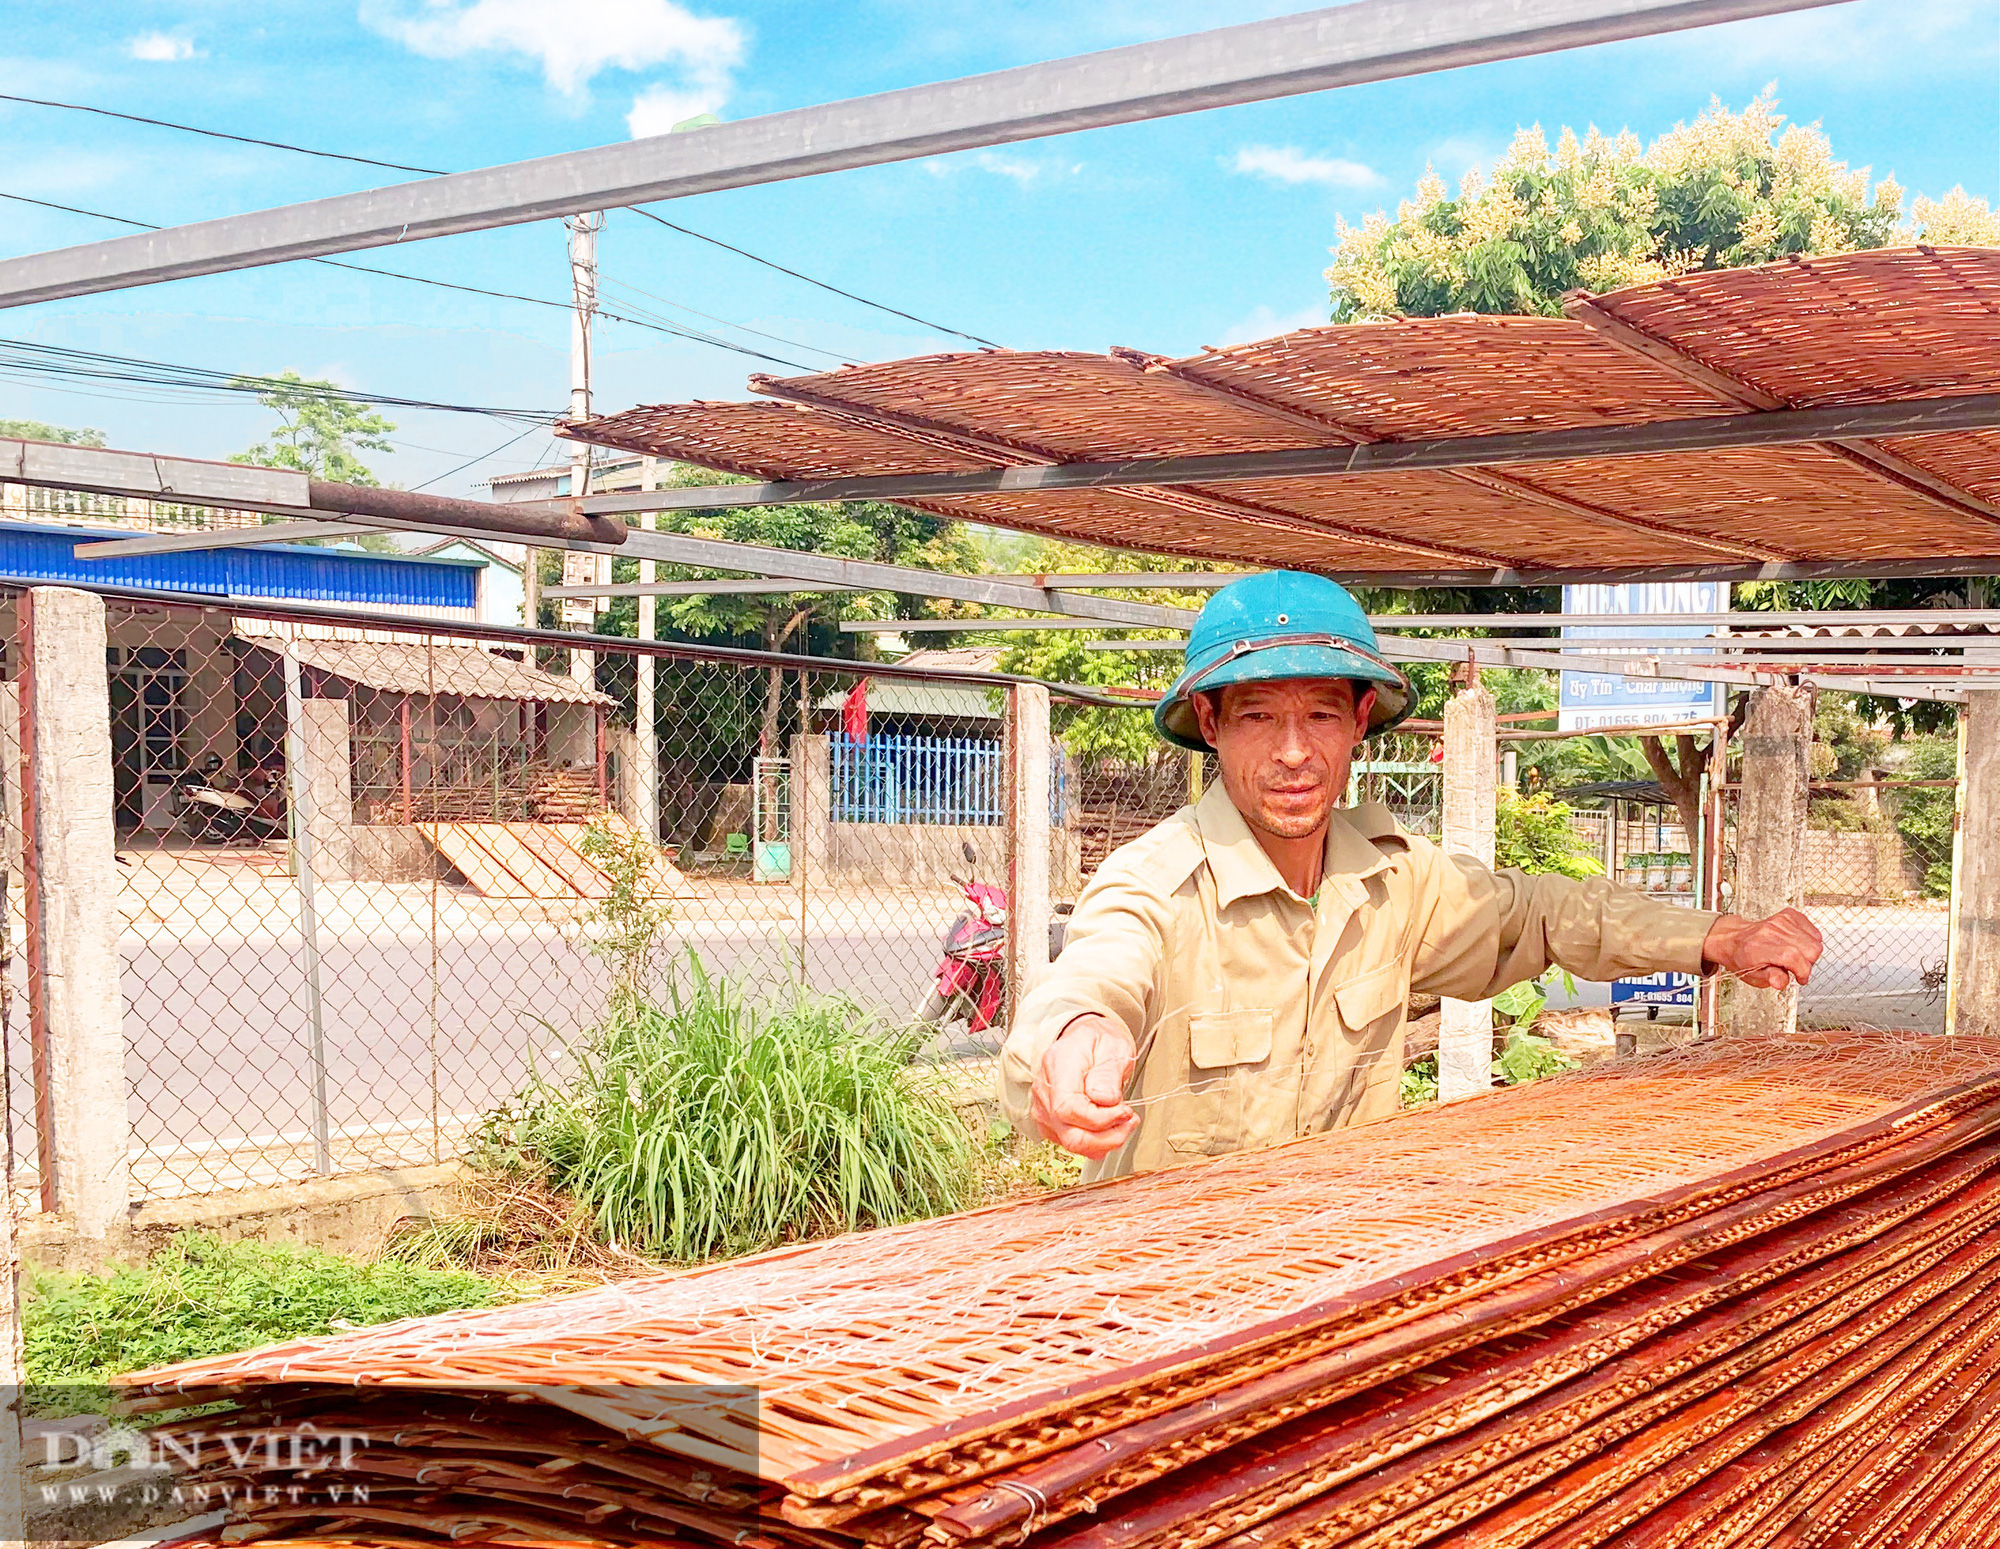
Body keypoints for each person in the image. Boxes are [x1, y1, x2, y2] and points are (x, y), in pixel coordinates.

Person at [999, 572, 1822, 1181]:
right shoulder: (1153, 882)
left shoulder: (1396, 882)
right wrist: (1077, 1039)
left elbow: (1540, 914)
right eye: (1258, 716)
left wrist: (1720, 935)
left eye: (1320, 713)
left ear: (1360, 720)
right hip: (1181, 1311)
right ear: (1210, 722)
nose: (1294, 751)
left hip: (1353, 1278)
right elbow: (1096, 975)